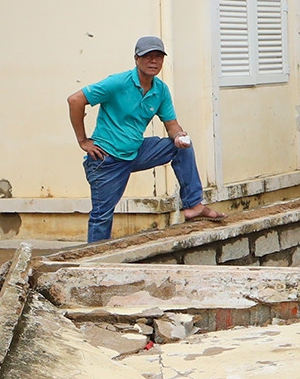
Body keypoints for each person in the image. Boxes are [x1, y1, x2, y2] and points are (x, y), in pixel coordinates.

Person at [68, 36, 226, 243]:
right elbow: (75, 100)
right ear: (136, 58)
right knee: (102, 215)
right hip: (107, 158)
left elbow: (172, 125)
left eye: (158, 57)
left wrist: (179, 136)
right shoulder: (118, 82)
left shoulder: (160, 90)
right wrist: (83, 141)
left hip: (135, 152)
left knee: (182, 146)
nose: (153, 61)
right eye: (148, 56)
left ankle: (194, 205)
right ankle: (95, 258)